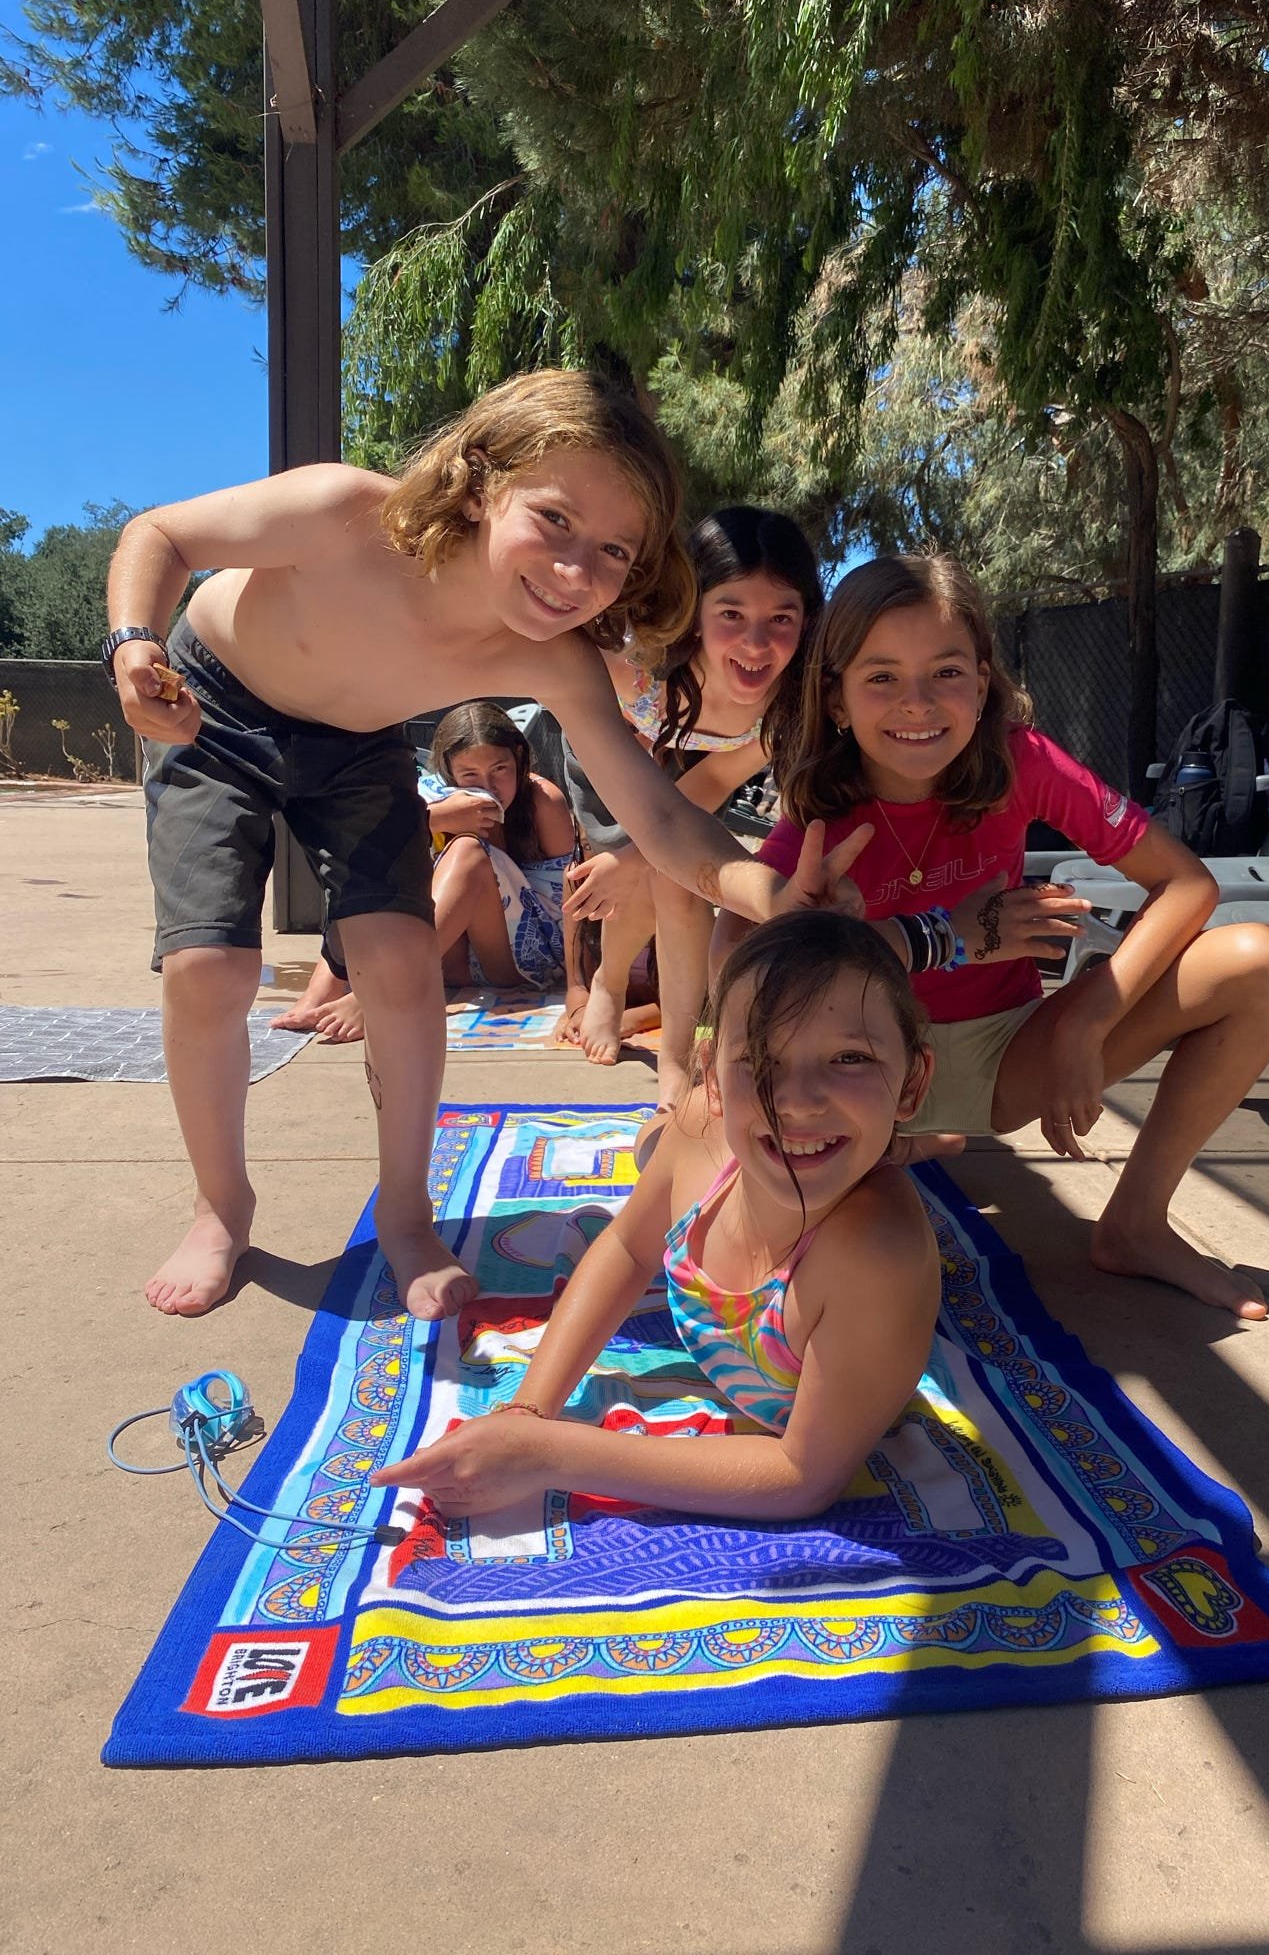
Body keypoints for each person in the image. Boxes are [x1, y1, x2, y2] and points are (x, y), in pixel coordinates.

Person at [106, 370, 866, 1322]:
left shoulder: (553, 657)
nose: (576, 571)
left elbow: (660, 817)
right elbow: (160, 534)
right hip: (213, 712)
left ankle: (407, 1211)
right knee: (209, 969)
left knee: (400, 966)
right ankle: (222, 1206)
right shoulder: (348, 514)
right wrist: (134, 647)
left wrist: (766, 894)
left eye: (613, 552)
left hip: (355, 749)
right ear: (478, 484)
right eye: (553, 521)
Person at [716, 552, 1269, 1324]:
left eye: (948, 673)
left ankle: (1135, 1223)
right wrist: (933, 938)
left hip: (1010, 1054)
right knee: (818, 1271)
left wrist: (1088, 1019)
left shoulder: (1019, 761)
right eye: (882, 676)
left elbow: (1187, 884)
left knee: (1262, 963)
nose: (917, 704)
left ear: (985, 680)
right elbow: (736, 953)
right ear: (835, 699)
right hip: (867, 1074)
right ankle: (895, 1151)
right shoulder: (825, 808)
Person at [369, 911, 941, 1523]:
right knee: (660, 1140)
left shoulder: (875, 1258)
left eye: (849, 1059)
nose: (797, 1099)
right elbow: (627, 1248)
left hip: (782, 1183)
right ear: (715, 1076)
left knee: (698, 1141)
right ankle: (659, 1123)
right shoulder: (704, 1126)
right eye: (760, 1062)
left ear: (912, 1083)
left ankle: (922, 1141)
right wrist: (525, 1412)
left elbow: (801, 1476)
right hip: (704, 1134)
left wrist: (550, 1452)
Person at [559, 506, 821, 1106]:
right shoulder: (635, 666)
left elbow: (718, 777)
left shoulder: (790, 700)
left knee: (679, 881)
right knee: (637, 876)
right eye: (731, 613)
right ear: (694, 613)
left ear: (806, 621)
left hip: (698, 768)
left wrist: (639, 856)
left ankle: (675, 1055)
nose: (757, 643)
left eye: (781, 617)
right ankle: (609, 979)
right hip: (615, 747)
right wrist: (628, 850)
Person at [272, 702, 576, 1041]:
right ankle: (320, 993)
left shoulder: (542, 800)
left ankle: (379, 993)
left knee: (469, 853)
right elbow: (359, 843)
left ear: (518, 757)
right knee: (368, 864)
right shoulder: (433, 794)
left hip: (526, 960)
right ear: (448, 769)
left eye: (500, 769)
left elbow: (560, 913)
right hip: (450, 957)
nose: (488, 786)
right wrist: (440, 818)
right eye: (470, 775)